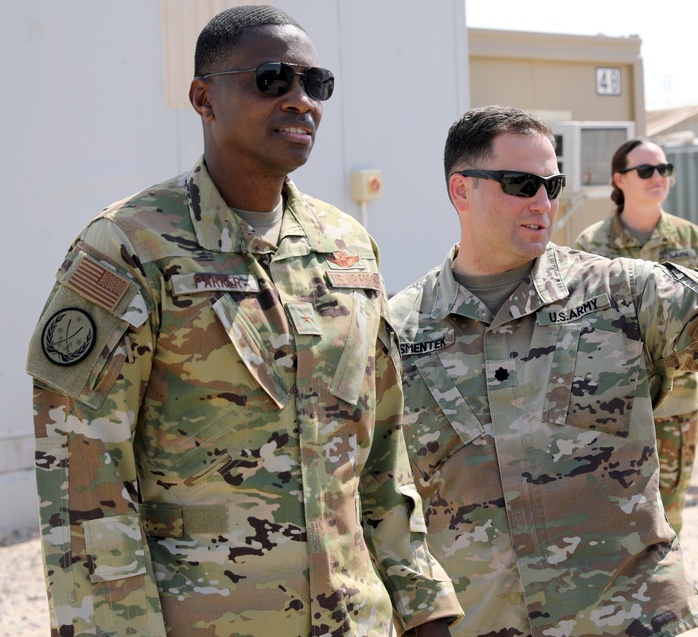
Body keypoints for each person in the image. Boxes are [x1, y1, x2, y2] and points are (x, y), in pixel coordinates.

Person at [26, 6, 461, 636]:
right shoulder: (130, 247)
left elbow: (381, 448)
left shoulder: (346, 246)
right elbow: (83, 479)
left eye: (317, 84)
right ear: (204, 98)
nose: (299, 99)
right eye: (271, 79)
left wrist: (423, 607)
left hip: (353, 620)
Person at [388, 105, 698, 637]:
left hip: (624, 618)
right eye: (521, 184)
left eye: (553, 184)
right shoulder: (400, 330)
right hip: (480, 620)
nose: (543, 203)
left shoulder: (619, 293)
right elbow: (379, 496)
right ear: (461, 191)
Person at [574, 138, 698, 538]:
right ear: (619, 179)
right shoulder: (592, 245)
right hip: (613, 410)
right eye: (646, 170)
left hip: (675, 407)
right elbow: (579, 325)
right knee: (611, 522)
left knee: (669, 523)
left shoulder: (691, 240)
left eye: (664, 169)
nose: (658, 177)